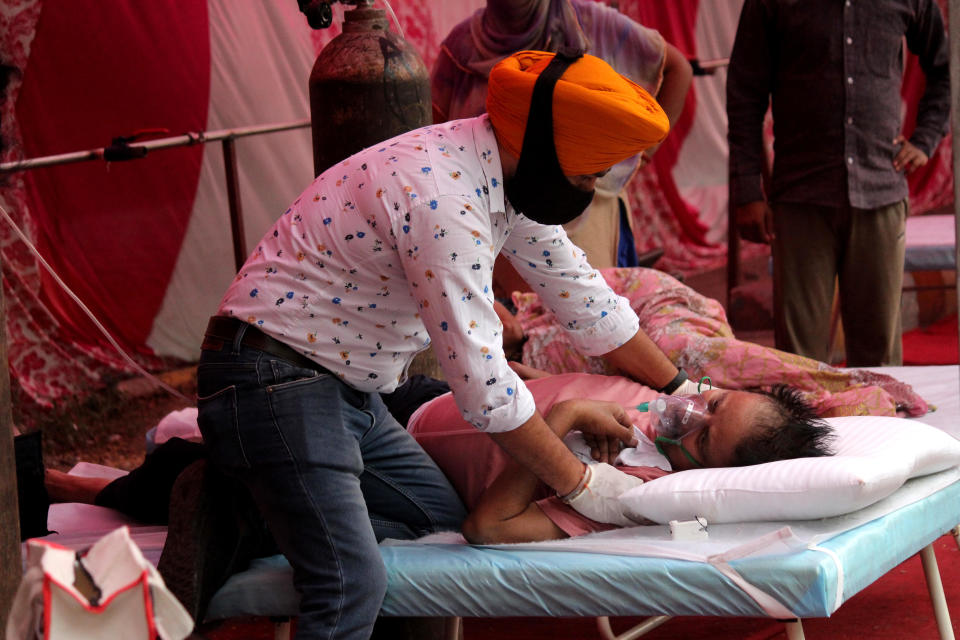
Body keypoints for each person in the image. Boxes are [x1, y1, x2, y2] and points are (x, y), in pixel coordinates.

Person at [197, 50, 698, 640]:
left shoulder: (502, 172)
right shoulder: (445, 201)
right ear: (546, 153)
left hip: (345, 390)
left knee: (438, 526)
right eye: (586, 176)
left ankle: (259, 512)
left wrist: (686, 390)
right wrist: (584, 486)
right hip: (275, 379)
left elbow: (588, 302)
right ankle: (253, 505)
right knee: (349, 582)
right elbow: (486, 389)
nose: (587, 190)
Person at [726, 0, 950, 367]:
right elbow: (744, 94)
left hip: (880, 192)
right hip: (800, 197)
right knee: (799, 360)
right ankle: (807, 427)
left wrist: (925, 140)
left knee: (879, 358)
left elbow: (945, 69)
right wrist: (748, 190)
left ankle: (880, 426)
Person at [406, 373, 832, 543]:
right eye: (715, 401)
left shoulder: (636, 496)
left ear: (708, 475)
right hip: (436, 393)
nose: (691, 413)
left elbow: (486, 528)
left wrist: (564, 414)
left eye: (702, 443)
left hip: (407, 451)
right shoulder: (658, 403)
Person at [431, 0, 693, 273]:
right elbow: (436, 125)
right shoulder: (461, 45)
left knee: (579, 293)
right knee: (512, 308)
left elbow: (678, 69)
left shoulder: (589, 22)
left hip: (583, 211)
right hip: (493, 204)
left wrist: (634, 154)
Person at [502, 266, 931, 418]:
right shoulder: (503, 373)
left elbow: (599, 304)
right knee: (698, 404)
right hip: (625, 366)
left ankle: (841, 381)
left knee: (681, 352)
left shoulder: (526, 309)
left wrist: (511, 330)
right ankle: (809, 399)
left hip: (649, 310)